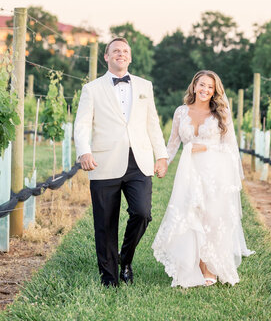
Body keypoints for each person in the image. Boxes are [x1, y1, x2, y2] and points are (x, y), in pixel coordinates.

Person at [74, 37, 168, 287]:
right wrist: (84, 151)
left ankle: (125, 260)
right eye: (115, 51)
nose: (121, 54)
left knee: (142, 213)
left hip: (139, 161)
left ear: (130, 57)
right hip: (103, 161)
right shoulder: (91, 89)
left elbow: (153, 124)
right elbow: (82, 124)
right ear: (106, 57)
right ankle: (109, 277)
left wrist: (162, 156)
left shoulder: (144, 86)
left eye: (125, 51)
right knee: (105, 223)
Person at [152, 70, 253, 288]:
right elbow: (173, 144)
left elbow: (230, 148)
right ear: (194, 86)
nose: (205, 90)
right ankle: (195, 266)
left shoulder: (221, 113)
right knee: (191, 215)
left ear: (215, 91)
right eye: (202, 85)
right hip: (189, 173)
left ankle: (211, 268)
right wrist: (163, 164)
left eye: (210, 87)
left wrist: (205, 146)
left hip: (215, 172)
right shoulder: (181, 112)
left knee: (212, 219)